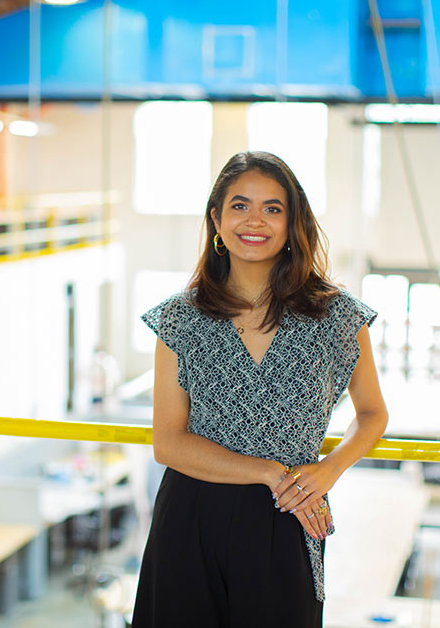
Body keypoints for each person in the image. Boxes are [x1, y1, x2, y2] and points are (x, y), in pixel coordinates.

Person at [132, 151, 389, 627]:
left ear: (294, 222)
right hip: (191, 517)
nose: (255, 221)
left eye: (273, 208)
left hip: (290, 514)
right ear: (216, 218)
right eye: (239, 206)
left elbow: (373, 413)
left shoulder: (338, 316)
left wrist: (329, 470)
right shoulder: (179, 318)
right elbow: (168, 443)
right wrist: (271, 472)